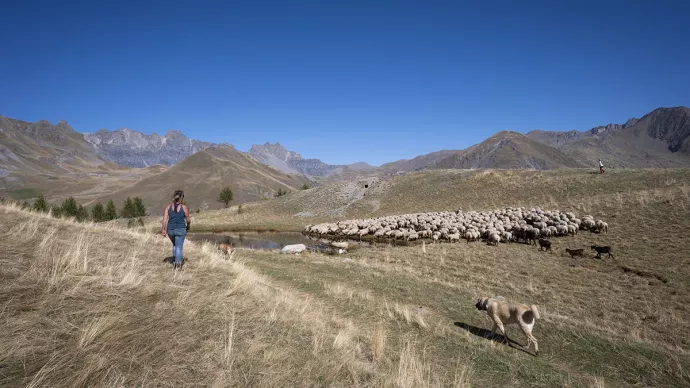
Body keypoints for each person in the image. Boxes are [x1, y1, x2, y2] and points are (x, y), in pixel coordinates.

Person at [162, 190, 191, 269]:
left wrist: (163, 230)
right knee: (178, 247)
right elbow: (188, 220)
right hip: (181, 229)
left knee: (175, 245)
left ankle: (175, 260)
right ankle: (178, 265)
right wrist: (188, 226)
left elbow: (164, 219)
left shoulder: (168, 207)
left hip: (170, 230)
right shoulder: (184, 207)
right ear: (181, 198)